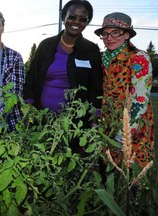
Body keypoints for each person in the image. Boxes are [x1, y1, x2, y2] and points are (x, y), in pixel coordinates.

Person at [23, 0, 103, 125]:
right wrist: (28, 108)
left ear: (87, 23)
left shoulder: (91, 50)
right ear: (63, 17)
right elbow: (31, 77)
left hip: (74, 124)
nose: (76, 22)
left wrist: (93, 120)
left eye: (82, 19)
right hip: (41, 119)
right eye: (72, 17)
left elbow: (96, 87)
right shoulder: (46, 45)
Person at [94, 12, 154, 168]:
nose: (109, 37)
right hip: (107, 126)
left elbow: (139, 101)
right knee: (107, 177)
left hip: (132, 131)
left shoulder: (138, 58)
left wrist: (123, 135)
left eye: (115, 32)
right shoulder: (102, 59)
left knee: (129, 177)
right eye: (105, 34)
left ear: (127, 35)